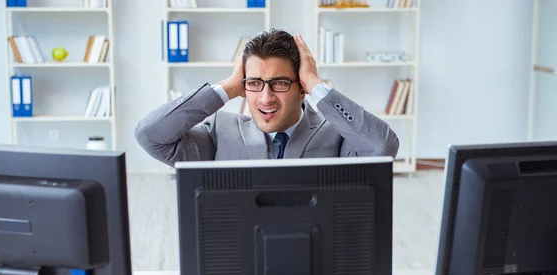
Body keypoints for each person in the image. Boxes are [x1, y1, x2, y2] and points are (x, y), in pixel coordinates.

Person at [135, 29, 399, 166]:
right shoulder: (219, 132)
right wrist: (226, 87)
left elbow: (382, 148)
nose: (266, 97)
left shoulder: (337, 134)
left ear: (300, 86)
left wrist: (317, 85)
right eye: (255, 83)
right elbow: (149, 135)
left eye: (280, 83)